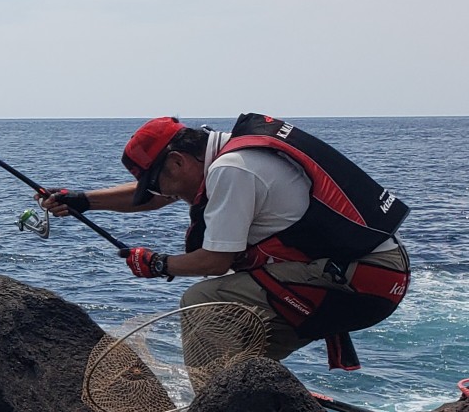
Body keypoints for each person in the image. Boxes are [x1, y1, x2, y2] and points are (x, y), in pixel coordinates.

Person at [41, 114, 410, 368]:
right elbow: (162, 196)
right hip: (370, 277)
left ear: (178, 162)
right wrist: (84, 200)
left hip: (359, 282)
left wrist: (156, 264)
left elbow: (215, 262)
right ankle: (245, 384)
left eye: (158, 181)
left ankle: (215, 408)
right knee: (236, 340)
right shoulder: (233, 153)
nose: (161, 194)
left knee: (201, 300)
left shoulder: (231, 170)